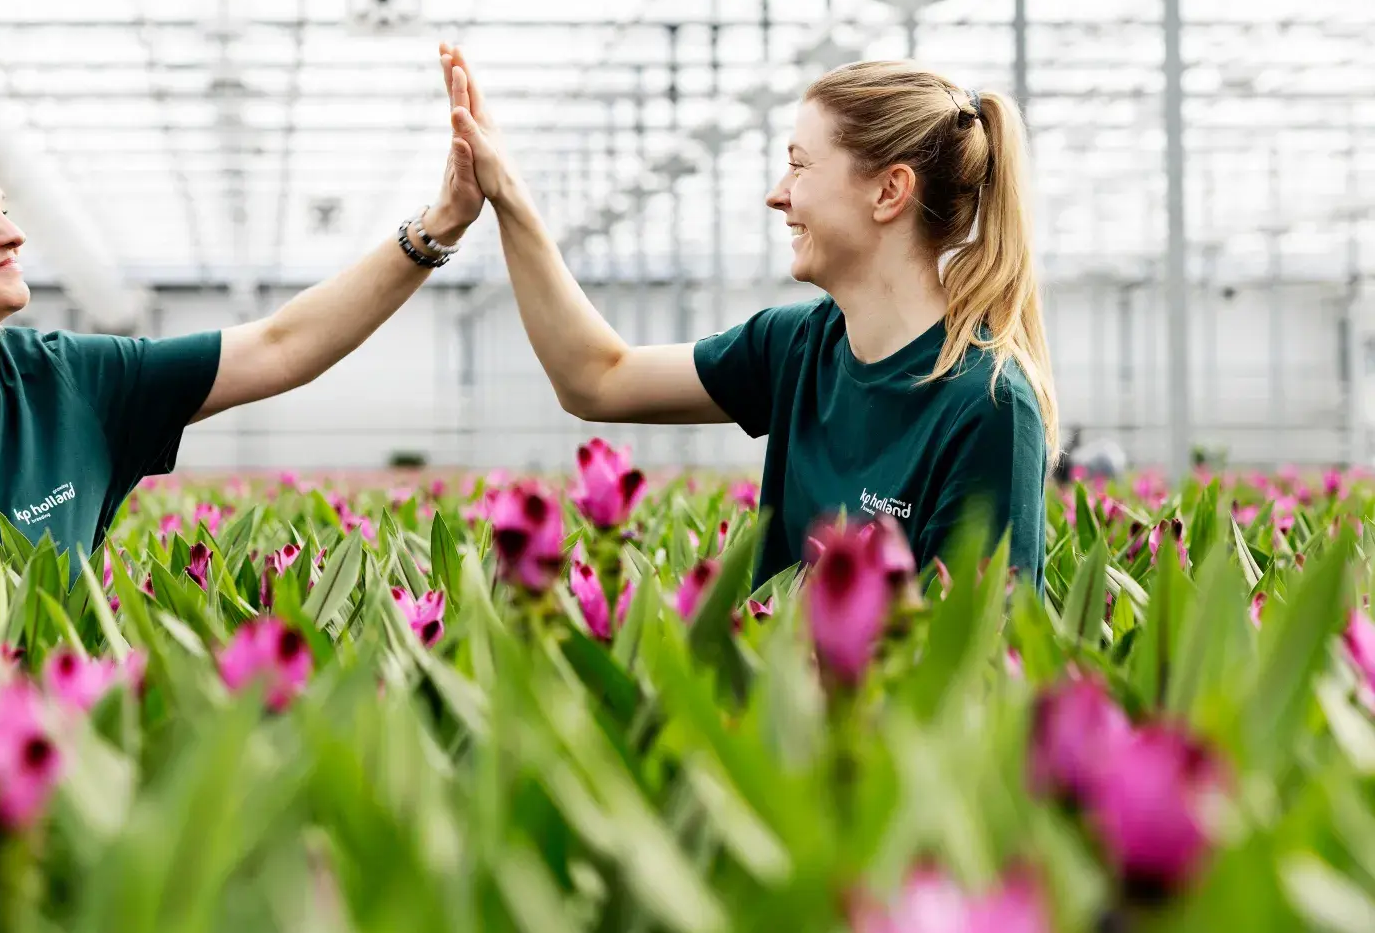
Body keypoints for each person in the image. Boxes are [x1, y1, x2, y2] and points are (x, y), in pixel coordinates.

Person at [0, 56, 484, 580]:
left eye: (3, 209)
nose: (11, 232)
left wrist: (438, 225)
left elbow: (283, 345)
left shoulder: (67, 382)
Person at [442, 45, 1056, 590]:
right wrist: (508, 196)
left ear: (889, 192)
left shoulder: (988, 405)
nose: (777, 192)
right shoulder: (797, 346)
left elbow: (969, 670)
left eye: (800, 164)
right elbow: (594, 378)